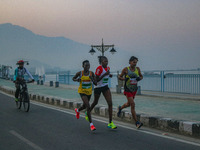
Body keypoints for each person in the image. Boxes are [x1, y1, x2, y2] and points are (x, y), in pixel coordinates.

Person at [89, 56, 117, 129]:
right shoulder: (99, 68)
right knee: (95, 102)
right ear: (101, 62)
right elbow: (97, 80)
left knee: (110, 103)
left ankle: (110, 122)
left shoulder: (108, 68)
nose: (106, 62)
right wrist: (105, 74)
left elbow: (106, 75)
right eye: (105, 61)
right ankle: (88, 111)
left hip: (105, 87)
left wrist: (109, 75)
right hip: (98, 87)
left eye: (107, 61)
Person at [117, 56, 143, 129]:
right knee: (132, 104)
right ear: (130, 62)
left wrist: (139, 78)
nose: (135, 64)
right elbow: (119, 76)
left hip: (134, 89)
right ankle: (137, 122)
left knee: (128, 104)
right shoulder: (126, 69)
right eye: (134, 62)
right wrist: (124, 78)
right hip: (127, 89)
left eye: (136, 62)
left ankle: (120, 108)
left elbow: (141, 76)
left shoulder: (137, 69)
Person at [73, 60, 97, 131]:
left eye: (88, 65)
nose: (87, 67)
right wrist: (77, 79)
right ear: (83, 66)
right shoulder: (80, 73)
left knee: (84, 106)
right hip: (82, 91)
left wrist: (92, 79)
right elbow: (73, 78)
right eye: (86, 65)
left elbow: (96, 83)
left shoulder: (91, 73)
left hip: (89, 92)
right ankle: (91, 125)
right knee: (88, 106)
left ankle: (77, 110)